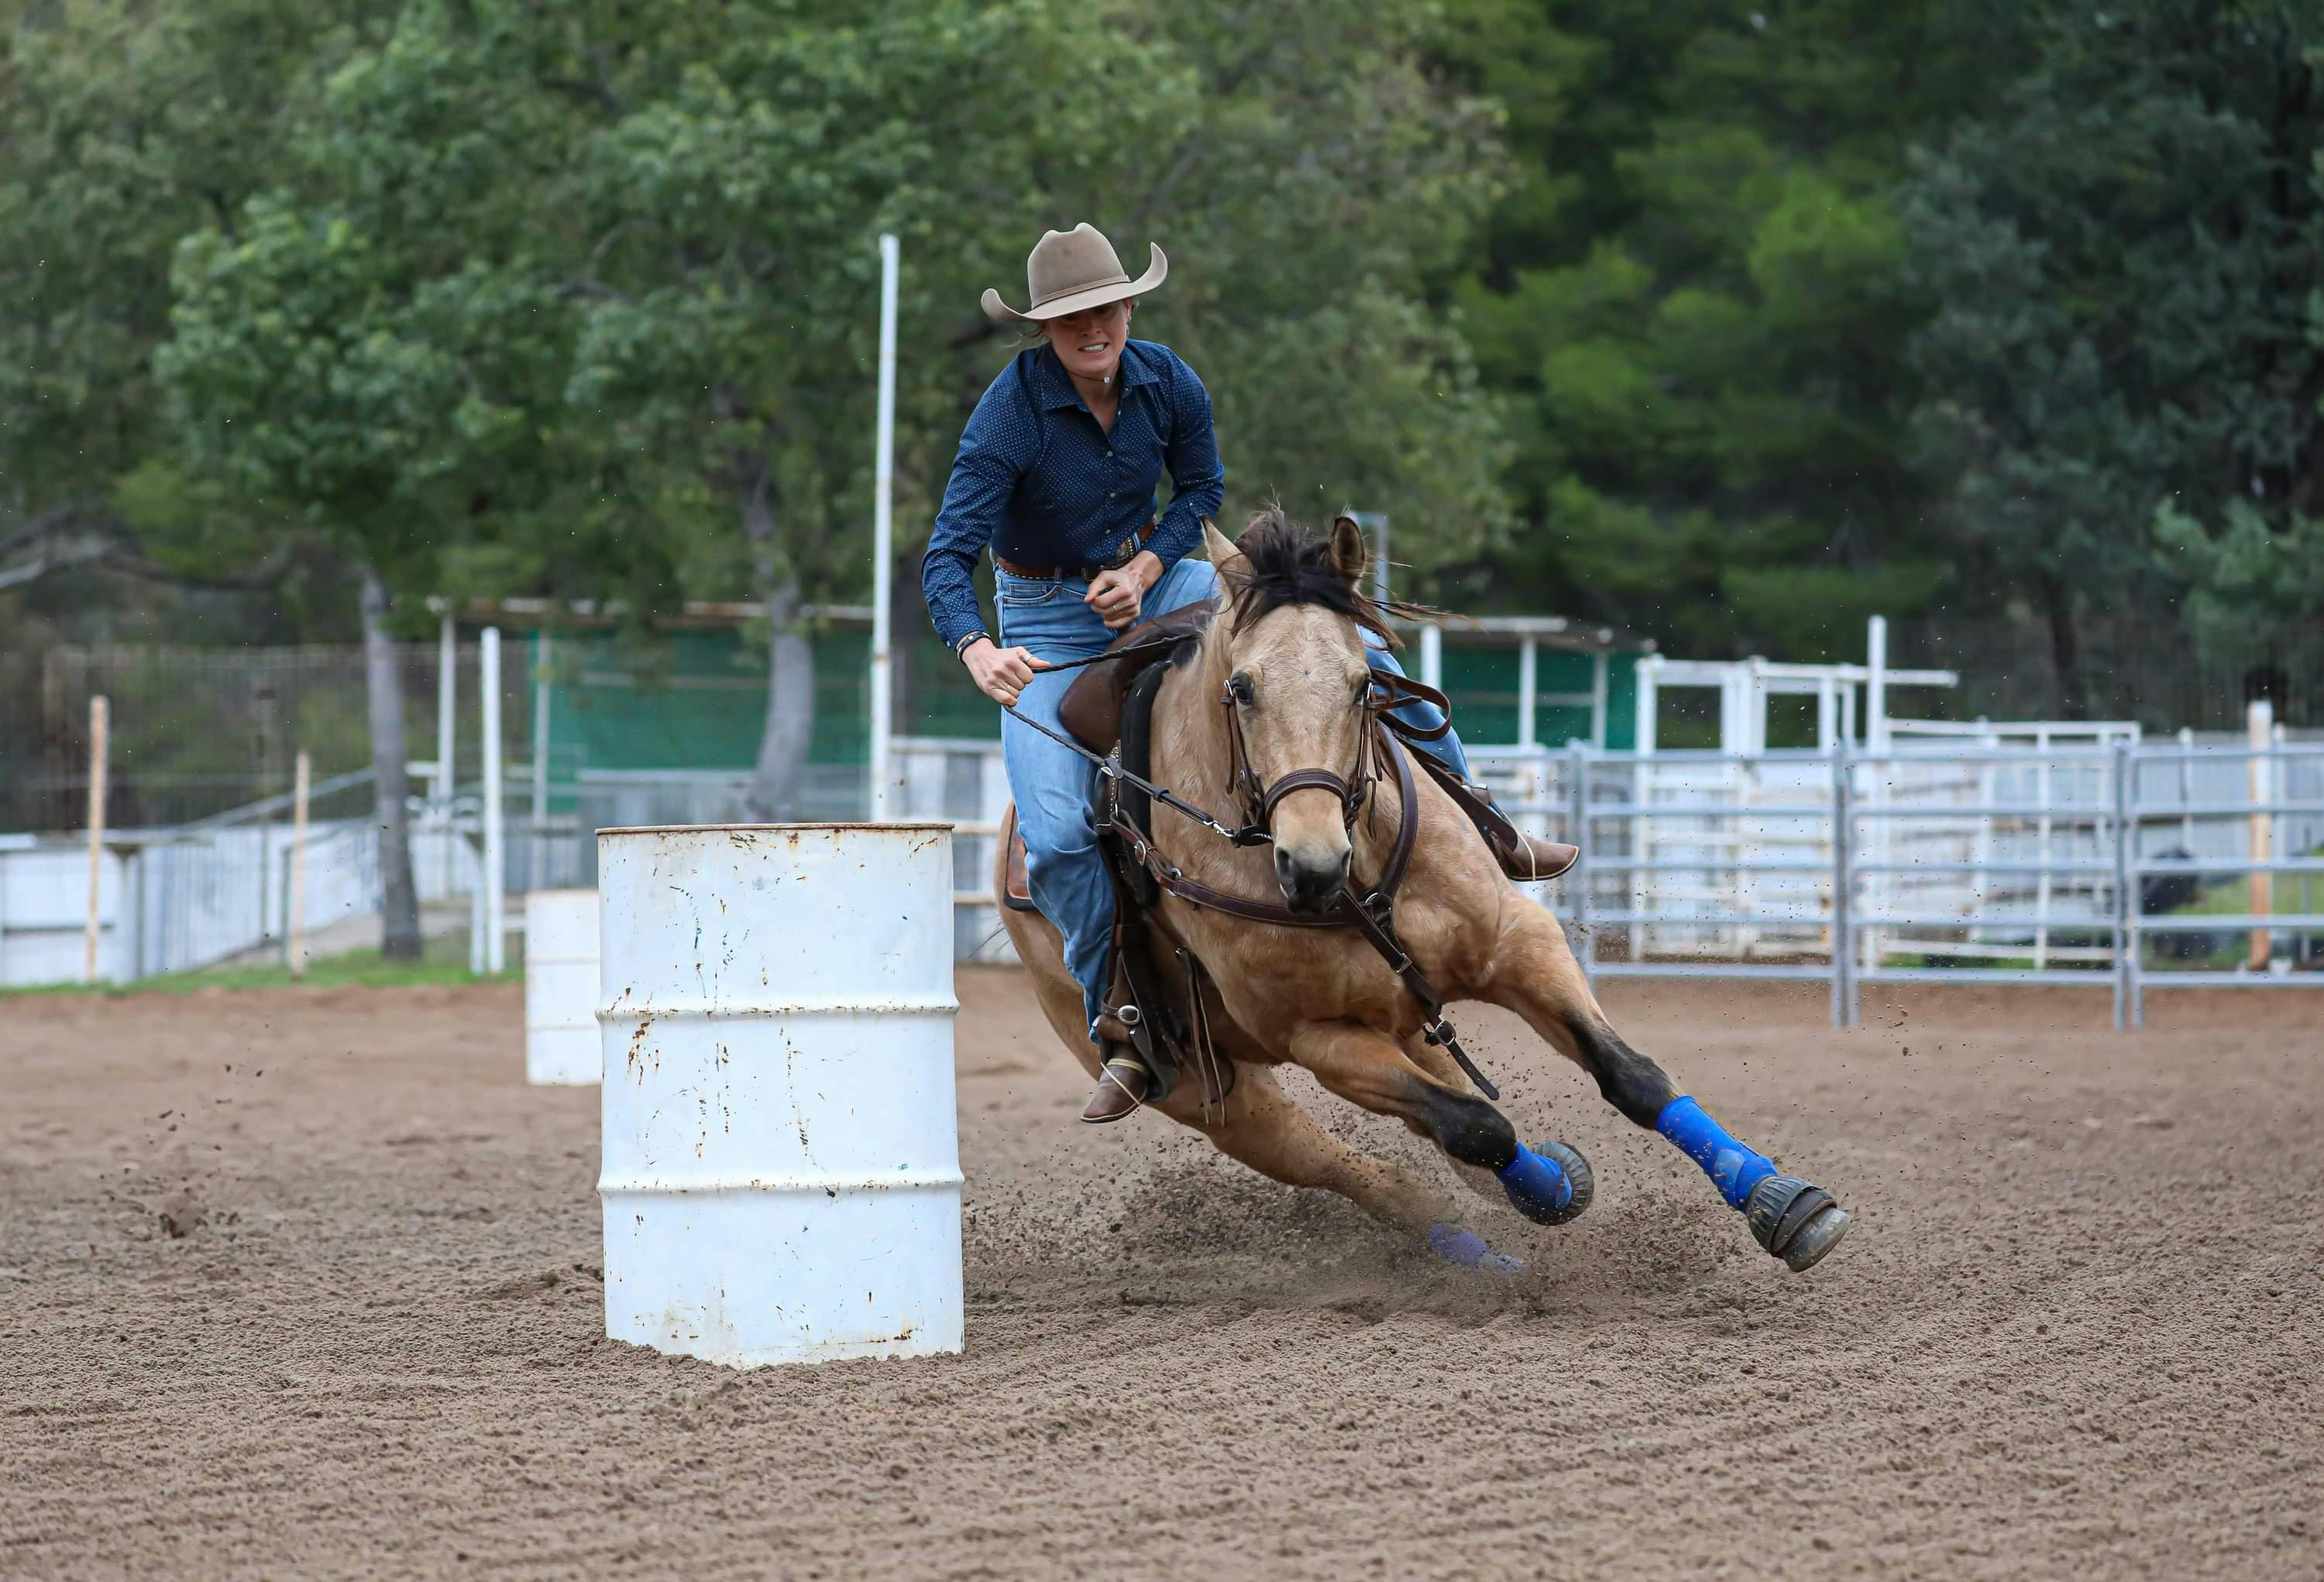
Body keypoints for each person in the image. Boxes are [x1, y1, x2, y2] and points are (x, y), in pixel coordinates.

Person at [923, 223, 1560, 1125]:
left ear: (1128, 307)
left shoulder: (1169, 381)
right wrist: (977, 645)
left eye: (1102, 309)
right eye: (1069, 319)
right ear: (1044, 329)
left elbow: (1201, 491)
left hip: (1165, 575)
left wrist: (1146, 568)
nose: (1090, 328)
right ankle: (1126, 1013)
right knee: (1060, 833)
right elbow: (946, 555)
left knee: (1358, 650)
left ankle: (1485, 824)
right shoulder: (1010, 413)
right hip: (1043, 619)